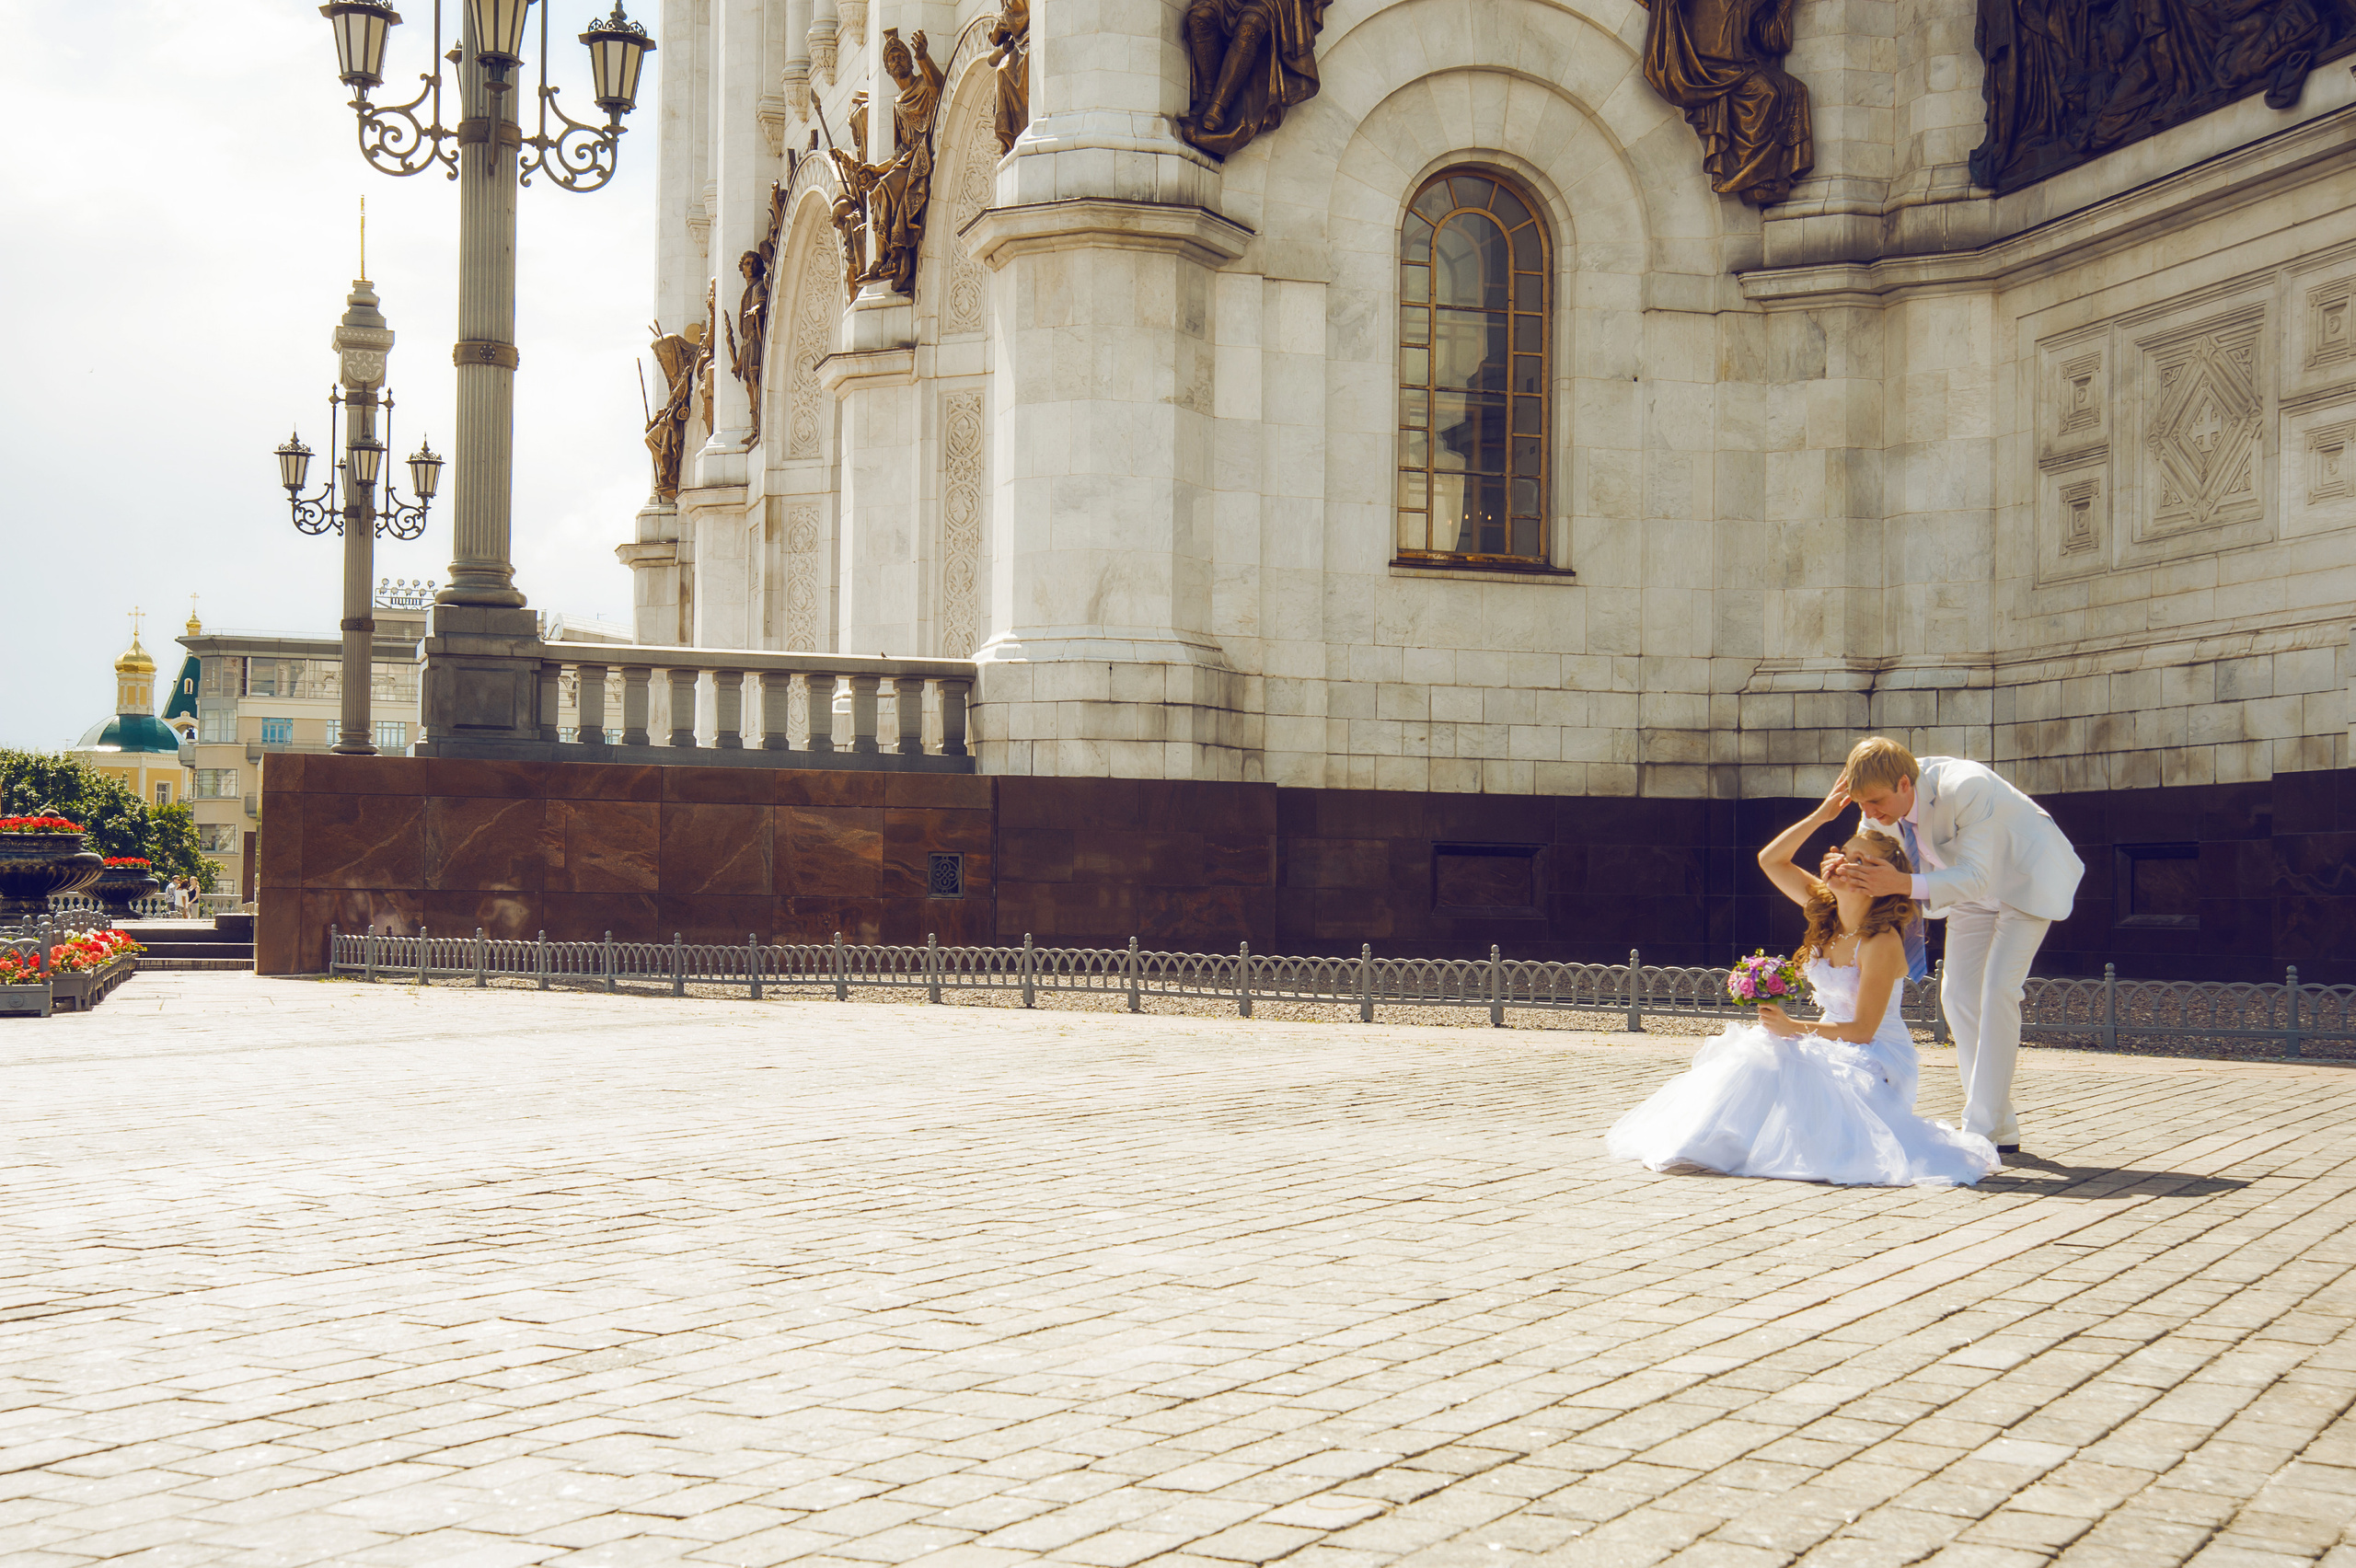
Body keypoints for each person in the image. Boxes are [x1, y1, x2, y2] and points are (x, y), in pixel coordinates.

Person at [1607, 784, 2000, 1187]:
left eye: (1860, 861)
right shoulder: (1825, 908)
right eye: (1843, 854)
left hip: (1878, 1055)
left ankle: (1734, 1148)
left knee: (1785, 1058)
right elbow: (1770, 860)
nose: (1843, 864)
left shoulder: (1880, 942)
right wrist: (1822, 816)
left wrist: (1793, 1027)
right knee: (1756, 1052)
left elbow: (1864, 1031)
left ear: (1881, 880)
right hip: (1830, 1038)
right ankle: (1709, 1145)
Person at [1828, 738, 2084, 1155]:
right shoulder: (1876, 809)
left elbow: (1977, 875)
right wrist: (1844, 871)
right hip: (1966, 894)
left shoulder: (1966, 786)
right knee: (1958, 995)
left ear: (1905, 784)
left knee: (1998, 991)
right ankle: (2000, 1125)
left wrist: (1902, 882)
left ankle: (1978, 1129)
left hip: (2024, 881)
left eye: (1875, 802)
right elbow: (1870, 862)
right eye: (1861, 805)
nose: (1869, 814)